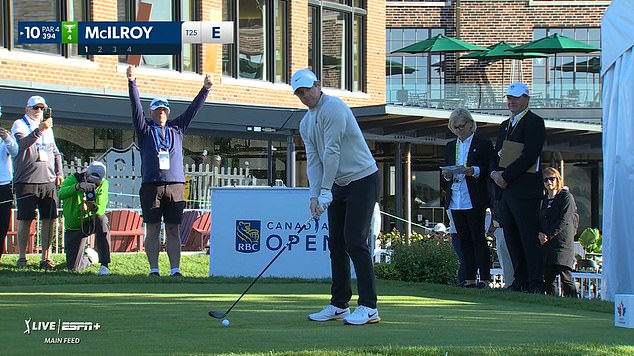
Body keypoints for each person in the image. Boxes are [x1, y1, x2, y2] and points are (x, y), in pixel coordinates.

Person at [293, 69, 380, 325]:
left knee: (355, 241)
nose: (304, 96)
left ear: (318, 85)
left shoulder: (334, 108)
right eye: (299, 93)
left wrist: (325, 192)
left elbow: (332, 152)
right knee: (336, 245)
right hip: (340, 183)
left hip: (363, 179)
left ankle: (369, 306)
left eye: (306, 90)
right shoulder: (305, 122)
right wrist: (314, 194)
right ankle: (339, 304)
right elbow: (314, 160)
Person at [127, 65, 212, 277]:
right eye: (158, 110)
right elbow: (135, 107)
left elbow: (193, 110)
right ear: (151, 112)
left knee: (173, 229)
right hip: (151, 185)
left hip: (175, 184)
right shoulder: (145, 130)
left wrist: (206, 89)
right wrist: (132, 82)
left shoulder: (177, 129)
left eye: (164, 109)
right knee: (153, 228)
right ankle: (154, 269)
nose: (162, 113)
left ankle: (175, 270)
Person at [490, 82, 546, 293]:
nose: (511, 101)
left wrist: (507, 175)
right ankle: (520, 279)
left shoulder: (534, 122)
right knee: (511, 236)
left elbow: (530, 155)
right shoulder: (505, 125)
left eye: (515, 97)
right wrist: (495, 174)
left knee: (527, 236)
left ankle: (535, 282)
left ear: (526, 99)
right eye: (509, 98)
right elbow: (498, 153)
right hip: (507, 190)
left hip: (524, 189)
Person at [442, 108, 493, 288]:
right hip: (456, 196)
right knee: (463, 238)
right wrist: (447, 175)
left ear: (471, 124)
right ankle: (469, 277)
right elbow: (447, 169)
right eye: (455, 128)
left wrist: (474, 171)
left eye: (461, 126)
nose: (458, 130)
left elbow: (489, 168)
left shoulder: (483, 144)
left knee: (477, 237)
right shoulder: (450, 146)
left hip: (474, 197)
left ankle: (485, 278)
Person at [11, 96, 64, 269]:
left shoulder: (48, 128)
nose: (39, 111)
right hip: (26, 179)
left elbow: (55, 152)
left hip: (47, 180)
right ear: (27, 109)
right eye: (35, 108)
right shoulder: (19, 124)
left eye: (42, 108)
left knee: (49, 218)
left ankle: (46, 258)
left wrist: (59, 172)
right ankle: (22, 257)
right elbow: (21, 145)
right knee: (25, 219)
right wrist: (38, 131)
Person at [58, 161, 111, 274]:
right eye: (90, 182)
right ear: (86, 175)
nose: (93, 186)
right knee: (73, 269)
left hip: (90, 221)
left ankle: (104, 265)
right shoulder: (73, 179)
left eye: (96, 184)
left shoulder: (104, 184)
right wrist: (78, 187)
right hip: (74, 225)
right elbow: (60, 194)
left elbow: (101, 210)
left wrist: (93, 206)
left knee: (102, 220)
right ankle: (90, 258)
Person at [538, 167, 578, 297]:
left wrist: (549, 234)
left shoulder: (566, 197)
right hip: (547, 244)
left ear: (558, 180)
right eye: (546, 180)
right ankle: (552, 301)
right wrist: (541, 234)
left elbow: (564, 219)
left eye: (552, 179)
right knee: (549, 277)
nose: (549, 182)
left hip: (562, 243)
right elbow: (540, 219)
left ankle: (573, 301)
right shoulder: (543, 200)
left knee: (565, 275)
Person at [0, 104, 19, 263]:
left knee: (2, 225)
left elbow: (15, 151)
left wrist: (6, 138)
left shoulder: (5, 136)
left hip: (4, 185)